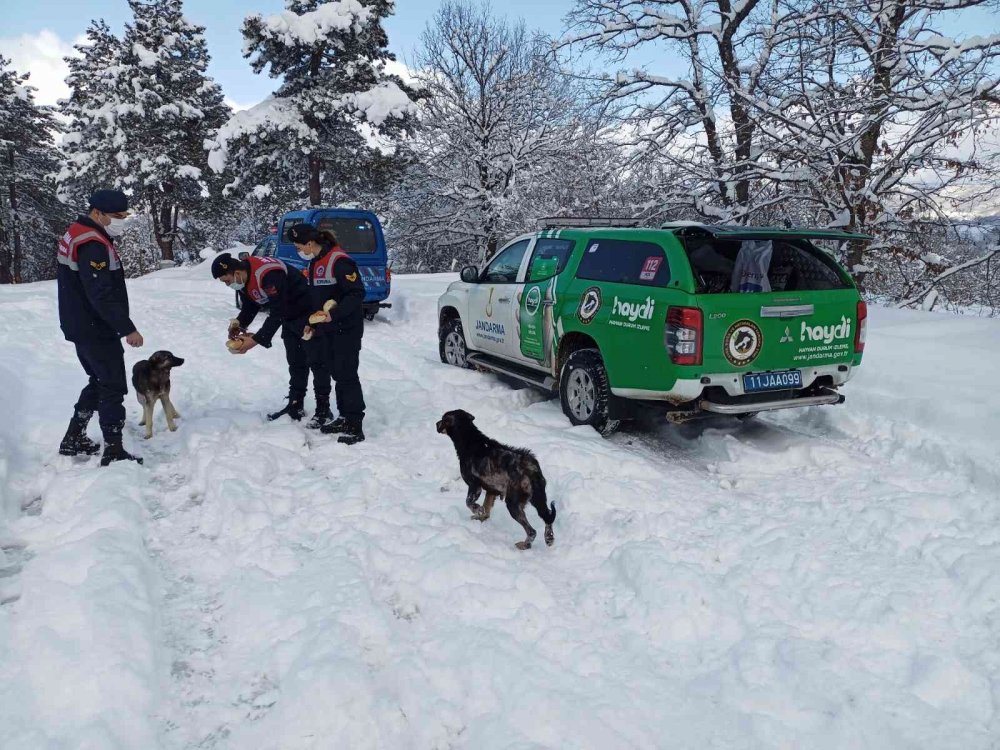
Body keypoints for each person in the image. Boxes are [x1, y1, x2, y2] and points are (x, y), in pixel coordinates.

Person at [57, 189, 144, 466]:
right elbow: (100, 293)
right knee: (112, 385)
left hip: (81, 323)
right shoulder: (92, 243)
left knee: (98, 380)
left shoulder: (79, 231)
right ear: (98, 212)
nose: (121, 221)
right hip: (94, 326)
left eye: (124, 216)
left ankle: (74, 437)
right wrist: (127, 328)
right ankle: (114, 449)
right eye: (117, 216)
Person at [211, 251, 332, 426]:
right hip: (290, 317)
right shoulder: (244, 278)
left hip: (308, 314)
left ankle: (323, 410)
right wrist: (240, 325)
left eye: (227, 281)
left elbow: (278, 311)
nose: (228, 285)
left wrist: (256, 340)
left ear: (236, 273)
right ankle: (295, 405)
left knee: (317, 362)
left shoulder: (268, 274)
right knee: (296, 362)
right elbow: (251, 304)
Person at [288, 223, 367, 445]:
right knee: (337, 373)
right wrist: (311, 324)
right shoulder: (315, 263)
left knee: (347, 374)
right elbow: (316, 300)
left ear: (309, 243)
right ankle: (344, 417)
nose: (298, 250)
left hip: (347, 328)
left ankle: (354, 424)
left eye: (298, 246)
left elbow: (357, 293)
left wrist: (335, 314)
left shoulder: (339, 261)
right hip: (328, 329)